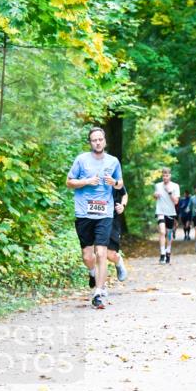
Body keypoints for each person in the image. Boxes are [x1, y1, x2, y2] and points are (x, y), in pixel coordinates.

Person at [67, 126, 123, 308]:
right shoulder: (81, 160)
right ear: (90, 142)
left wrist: (114, 183)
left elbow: (120, 183)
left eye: (100, 139)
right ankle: (92, 272)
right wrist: (86, 181)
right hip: (84, 213)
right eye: (94, 140)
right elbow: (69, 182)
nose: (98, 142)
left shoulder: (113, 161)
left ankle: (98, 292)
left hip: (104, 214)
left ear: (104, 141)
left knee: (101, 253)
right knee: (87, 255)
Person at [152, 167, 180, 265]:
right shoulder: (157, 185)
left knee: (169, 234)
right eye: (163, 175)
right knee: (162, 232)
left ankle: (168, 251)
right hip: (160, 212)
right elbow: (155, 197)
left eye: (167, 175)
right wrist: (155, 195)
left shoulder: (175, 186)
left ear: (170, 175)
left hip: (171, 212)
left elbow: (176, 201)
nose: (165, 177)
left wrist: (170, 192)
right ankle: (162, 254)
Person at [106, 186, 129, 282]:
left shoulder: (113, 177)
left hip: (112, 218)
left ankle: (118, 262)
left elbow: (124, 194)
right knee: (98, 252)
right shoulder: (90, 175)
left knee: (110, 254)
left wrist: (122, 206)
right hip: (93, 218)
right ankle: (100, 287)